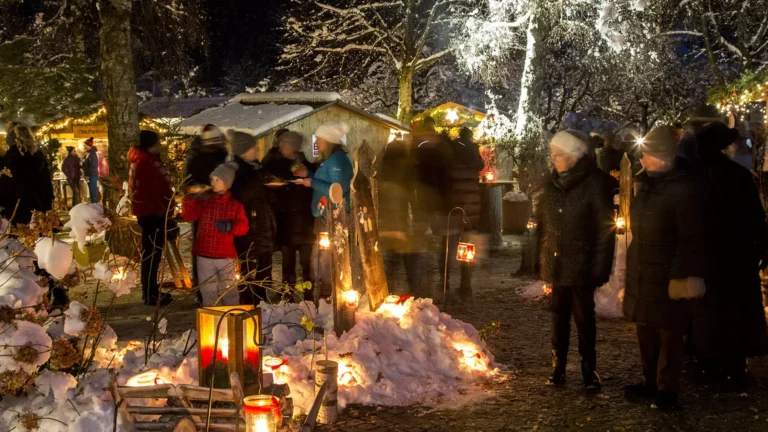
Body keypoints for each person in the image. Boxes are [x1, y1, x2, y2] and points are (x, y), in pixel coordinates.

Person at [623, 125, 707, 411]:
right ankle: (649, 382)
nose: (641, 160)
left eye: (645, 154)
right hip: (645, 267)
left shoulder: (683, 188)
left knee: (669, 331)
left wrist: (681, 276)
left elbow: (690, 238)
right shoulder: (647, 184)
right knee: (645, 327)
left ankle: (667, 389)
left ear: (661, 156)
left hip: (669, 271)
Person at [537, 130, 617, 391]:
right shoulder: (551, 183)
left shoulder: (594, 183)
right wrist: (542, 259)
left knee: (584, 318)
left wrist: (599, 267)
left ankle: (588, 368)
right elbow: (544, 226)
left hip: (582, 262)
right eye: (552, 155)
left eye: (558, 154)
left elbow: (605, 230)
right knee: (558, 316)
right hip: (557, 261)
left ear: (574, 156)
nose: (554, 159)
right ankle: (557, 366)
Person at [692, 122, 768, 389]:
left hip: (706, 255)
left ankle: (708, 364)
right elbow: (755, 217)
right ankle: (734, 367)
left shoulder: (695, 174)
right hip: (737, 255)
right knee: (735, 311)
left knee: (709, 311)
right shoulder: (737, 175)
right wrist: (761, 247)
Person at [296, 123, 353, 299]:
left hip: (332, 219)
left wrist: (311, 182)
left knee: (325, 261)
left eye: (319, 139)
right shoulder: (331, 160)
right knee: (320, 260)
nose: (317, 143)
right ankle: (325, 296)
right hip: (324, 216)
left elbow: (337, 189)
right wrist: (309, 176)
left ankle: (328, 298)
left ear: (328, 140)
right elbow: (329, 185)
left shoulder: (336, 160)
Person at [182, 162, 248, 306]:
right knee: (208, 292)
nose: (213, 182)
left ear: (227, 183)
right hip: (204, 254)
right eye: (212, 179)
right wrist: (191, 199)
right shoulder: (204, 201)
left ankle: (232, 320)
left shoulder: (235, 205)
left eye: (217, 179)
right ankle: (211, 323)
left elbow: (243, 227)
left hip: (226, 256)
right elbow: (189, 216)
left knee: (230, 292)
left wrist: (231, 226)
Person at [262, 131, 317, 301]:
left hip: (305, 223)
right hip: (286, 223)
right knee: (287, 264)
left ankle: (309, 295)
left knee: (307, 264)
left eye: (285, 144)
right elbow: (267, 185)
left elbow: (314, 187)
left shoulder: (308, 167)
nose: (282, 147)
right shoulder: (276, 166)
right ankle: (288, 294)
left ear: (294, 146)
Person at [229, 131, 277, 305]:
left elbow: (262, 195)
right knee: (247, 266)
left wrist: (272, 188)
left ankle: (261, 299)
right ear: (244, 150)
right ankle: (248, 301)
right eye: (253, 147)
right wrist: (260, 181)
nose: (258, 149)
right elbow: (242, 195)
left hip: (262, 223)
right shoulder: (236, 170)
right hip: (248, 225)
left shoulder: (257, 167)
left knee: (264, 264)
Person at [130, 130, 174, 306]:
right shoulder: (146, 163)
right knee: (152, 254)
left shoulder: (143, 161)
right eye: (158, 142)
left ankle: (151, 291)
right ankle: (150, 293)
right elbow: (157, 190)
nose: (160, 145)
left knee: (152, 254)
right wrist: (165, 210)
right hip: (153, 214)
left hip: (150, 212)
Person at [183, 124, 229, 287]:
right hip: (201, 207)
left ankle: (224, 282)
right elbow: (187, 182)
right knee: (202, 245)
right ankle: (202, 284)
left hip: (223, 206)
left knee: (223, 244)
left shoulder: (223, 156)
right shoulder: (196, 158)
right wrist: (199, 190)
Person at [378, 135, 422, 296]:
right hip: (402, 223)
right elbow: (413, 198)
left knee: (390, 264)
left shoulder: (381, 172)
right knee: (410, 262)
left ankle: (387, 295)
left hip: (385, 224)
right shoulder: (408, 171)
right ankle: (415, 295)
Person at [444, 127, 485, 299]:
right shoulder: (473, 150)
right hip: (471, 200)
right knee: (467, 243)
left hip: (453, 201)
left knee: (448, 242)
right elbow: (481, 165)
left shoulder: (451, 149)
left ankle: (444, 281)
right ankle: (465, 286)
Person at [3, 122, 54, 225]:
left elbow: (6, 185)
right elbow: (46, 184)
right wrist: (47, 206)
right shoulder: (38, 155)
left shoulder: (11, 158)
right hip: (37, 207)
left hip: (15, 209)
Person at [82, 137, 100, 203]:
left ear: (89, 146)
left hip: (92, 175)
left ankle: (95, 205)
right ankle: (93, 204)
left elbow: (92, 166)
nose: (84, 147)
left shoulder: (93, 155)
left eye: (85, 145)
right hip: (90, 175)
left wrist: (88, 175)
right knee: (91, 192)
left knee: (93, 191)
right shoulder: (88, 154)